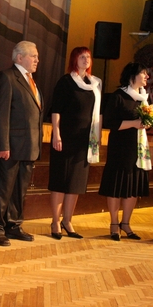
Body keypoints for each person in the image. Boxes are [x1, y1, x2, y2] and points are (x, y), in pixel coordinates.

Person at [0, 41, 43, 246]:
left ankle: (13, 225)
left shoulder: (31, 81)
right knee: (2, 189)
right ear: (19, 57)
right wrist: (2, 145)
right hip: (9, 146)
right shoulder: (6, 77)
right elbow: (0, 114)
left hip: (28, 147)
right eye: (33, 56)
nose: (37, 60)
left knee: (19, 190)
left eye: (37, 56)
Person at [48, 47, 102, 239]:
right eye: (81, 57)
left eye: (88, 56)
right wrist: (56, 134)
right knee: (61, 181)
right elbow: (56, 110)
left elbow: (98, 113)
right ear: (74, 60)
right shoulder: (66, 82)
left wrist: (97, 137)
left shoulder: (95, 84)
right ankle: (55, 221)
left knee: (76, 183)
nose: (86, 59)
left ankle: (68, 221)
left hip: (84, 140)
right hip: (66, 137)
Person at [98, 62, 151, 241]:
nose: (147, 77)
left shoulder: (144, 98)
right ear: (132, 75)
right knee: (117, 186)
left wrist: (148, 123)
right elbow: (109, 122)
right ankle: (114, 224)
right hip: (120, 148)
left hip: (138, 149)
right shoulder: (118, 96)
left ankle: (126, 223)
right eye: (143, 73)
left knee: (132, 187)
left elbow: (147, 121)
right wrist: (134, 124)